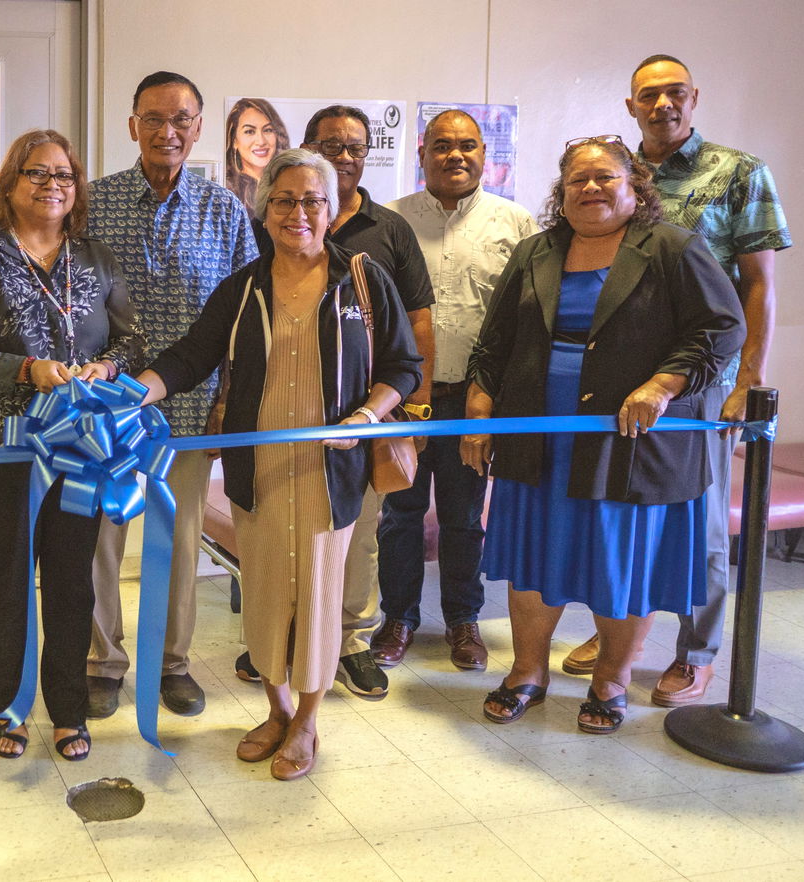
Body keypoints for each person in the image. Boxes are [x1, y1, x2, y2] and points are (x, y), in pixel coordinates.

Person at [137, 148, 421, 778]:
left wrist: (367, 416)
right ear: (265, 210)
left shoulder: (363, 280)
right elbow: (191, 356)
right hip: (258, 469)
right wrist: (135, 391)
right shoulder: (243, 289)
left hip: (331, 473)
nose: (298, 213)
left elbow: (404, 366)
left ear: (331, 209)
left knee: (318, 596)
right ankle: (276, 709)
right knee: (265, 593)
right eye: (285, 201)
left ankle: (308, 722)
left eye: (312, 201)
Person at [466, 136, 744, 733]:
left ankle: (611, 680)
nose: (590, 188)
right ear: (562, 192)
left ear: (635, 187)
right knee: (534, 557)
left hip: (633, 441)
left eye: (605, 177)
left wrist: (664, 384)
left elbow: (722, 328)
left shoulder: (672, 247)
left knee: (623, 562)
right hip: (537, 436)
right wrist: (480, 406)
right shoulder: (536, 251)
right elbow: (496, 339)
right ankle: (528, 672)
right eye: (577, 180)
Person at [563, 56, 792, 707]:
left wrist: (749, 379)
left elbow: (758, 286)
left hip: (703, 382)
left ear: (694, 98)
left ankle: (697, 653)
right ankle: (620, 636)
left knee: (703, 523)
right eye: (648, 95)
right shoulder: (618, 172)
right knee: (618, 515)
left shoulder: (739, 172)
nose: (662, 104)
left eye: (675, 93)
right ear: (630, 105)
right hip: (619, 378)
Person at [0, 128, 144, 763]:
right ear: (10, 184)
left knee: (72, 581)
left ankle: (68, 708)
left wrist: (107, 369)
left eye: (64, 175)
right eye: (38, 173)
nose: (53, 185)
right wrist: (27, 370)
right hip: (4, 449)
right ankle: (8, 706)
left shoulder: (96, 259)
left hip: (82, 449)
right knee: (8, 579)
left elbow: (132, 341)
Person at [85, 70, 258, 720]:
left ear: (199, 127)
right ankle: (103, 661)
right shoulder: (93, 203)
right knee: (101, 538)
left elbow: (245, 319)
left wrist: (227, 401)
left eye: (181, 119)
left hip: (191, 409)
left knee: (179, 542)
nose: (167, 131)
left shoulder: (225, 211)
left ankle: (171, 664)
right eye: (153, 119)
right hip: (106, 410)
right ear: (132, 125)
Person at [373, 111, 537, 669]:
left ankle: (464, 621)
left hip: (474, 397)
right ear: (422, 153)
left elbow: (524, 319)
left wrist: (495, 398)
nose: (455, 156)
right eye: (442, 146)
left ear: (484, 153)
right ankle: (398, 619)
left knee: (464, 517)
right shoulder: (392, 220)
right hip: (403, 396)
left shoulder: (515, 224)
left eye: (467, 145)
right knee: (400, 513)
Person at [288, 105, 435, 701]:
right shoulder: (279, 221)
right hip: (288, 412)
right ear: (308, 148)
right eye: (332, 146)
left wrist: (416, 410)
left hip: (367, 411)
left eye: (355, 147)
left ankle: (351, 640)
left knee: (360, 531)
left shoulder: (390, 230)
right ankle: (289, 633)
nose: (345, 158)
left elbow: (418, 324)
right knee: (289, 527)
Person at [224, 97, 289, 218]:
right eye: (249, 131)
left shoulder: (291, 185)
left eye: (268, 130)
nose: (261, 141)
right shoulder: (225, 193)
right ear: (234, 140)